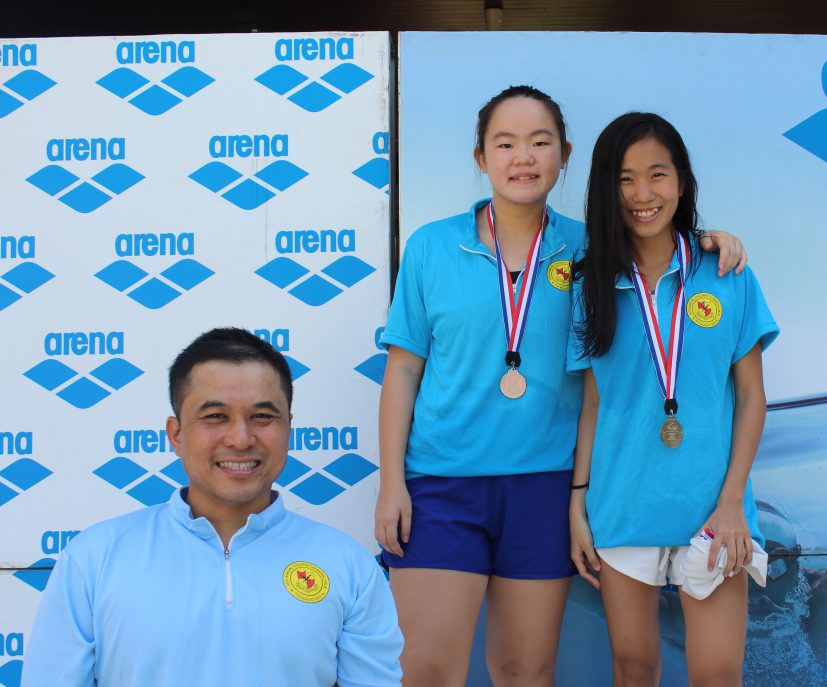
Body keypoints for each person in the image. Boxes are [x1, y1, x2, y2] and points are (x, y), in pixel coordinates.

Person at [375, 86, 748, 687]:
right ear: (480, 158)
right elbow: (402, 371)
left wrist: (714, 241)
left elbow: (664, 250)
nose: (523, 157)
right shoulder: (430, 247)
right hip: (442, 485)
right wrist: (392, 480)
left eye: (539, 142)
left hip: (545, 486)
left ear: (564, 154)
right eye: (505, 144)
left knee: (525, 671)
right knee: (424, 671)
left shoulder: (593, 251)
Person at [23, 328, 403, 687]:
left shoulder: (348, 567)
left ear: (288, 427)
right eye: (216, 416)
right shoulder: (94, 559)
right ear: (176, 434)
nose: (241, 438)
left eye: (262, 416)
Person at [568, 112, 779, 687]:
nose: (643, 194)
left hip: (713, 510)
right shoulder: (590, 284)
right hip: (622, 504)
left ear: (682, 182)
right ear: (606, 189)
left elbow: (752, 396)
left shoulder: (727, 271)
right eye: (625, 178)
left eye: (657, 175)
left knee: (717, 675)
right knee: (634, 669)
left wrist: (732, 503)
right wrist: (577, 505)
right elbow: (593, 404)